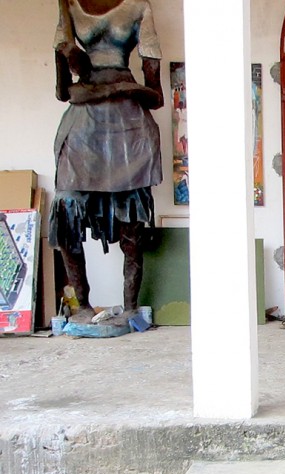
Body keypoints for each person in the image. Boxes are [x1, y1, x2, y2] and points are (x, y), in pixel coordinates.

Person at [50, 0, 164, 324]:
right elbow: (63, 91)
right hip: (83, 126)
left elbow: (155, 95)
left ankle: (129, 307)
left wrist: (118, 87)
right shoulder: (69, 8)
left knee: (131, 222)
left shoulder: (139, 7)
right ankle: (83, 305)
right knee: (67, 210)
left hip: (128, 124)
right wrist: (70, 56)